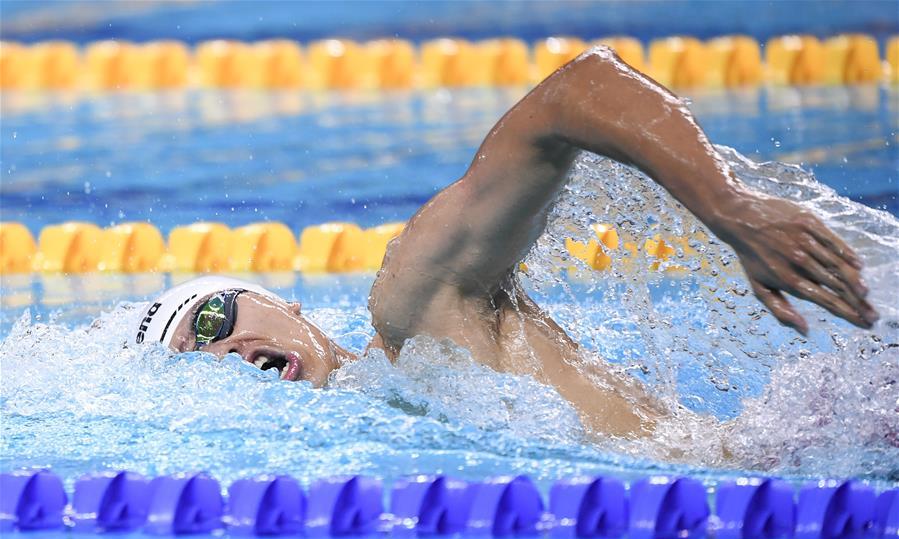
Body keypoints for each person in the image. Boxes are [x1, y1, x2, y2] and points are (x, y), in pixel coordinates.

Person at [133, 47, 877, 439]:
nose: (222, 354)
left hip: (800, 455)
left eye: (212, 321)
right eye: (193, 361)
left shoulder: (417, 316)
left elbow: (574, 90)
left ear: (279, 302)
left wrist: (728, 207)